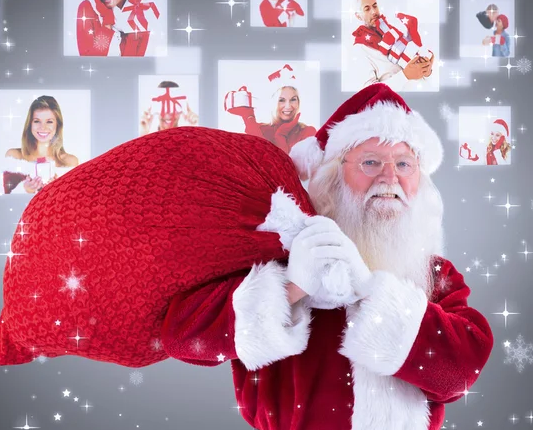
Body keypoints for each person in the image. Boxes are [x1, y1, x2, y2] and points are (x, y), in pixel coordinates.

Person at [161, 83, 494, 430]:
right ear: (333, 177)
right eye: (370, 162)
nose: (390, 177)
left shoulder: (434, 274)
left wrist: (371, 290)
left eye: (404, 163)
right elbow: (183, 340)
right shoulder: (276, 256)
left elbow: (462, 374)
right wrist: (289, 288)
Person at [349, 0, 434, 92]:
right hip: (397, 105)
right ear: (358, 16)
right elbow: (368, 93)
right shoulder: (360, 49)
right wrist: (405, 76)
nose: (374, 12)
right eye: (367, 9)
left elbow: (428, 79)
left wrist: (428, 71)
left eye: (375, 6)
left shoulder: (395, 29)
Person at [227, 65, 317, 154]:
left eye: (293, 99)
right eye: (281, 100)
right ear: (273, 102)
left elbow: (285, 166)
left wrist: (281, 134)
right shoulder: (260, 130)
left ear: (298, 102)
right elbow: (260, 158)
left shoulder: (307, 132)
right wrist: (248, 116)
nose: (288, 106)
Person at [4, 96, 79, 194]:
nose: (43, 127)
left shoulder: (70, 162)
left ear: (57, 125)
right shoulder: (14, 156)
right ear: (30, 124)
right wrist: (26, 190)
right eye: (37, 121)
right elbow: (5, 200)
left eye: (49, 121)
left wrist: (57, 190)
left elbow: (74, 202)